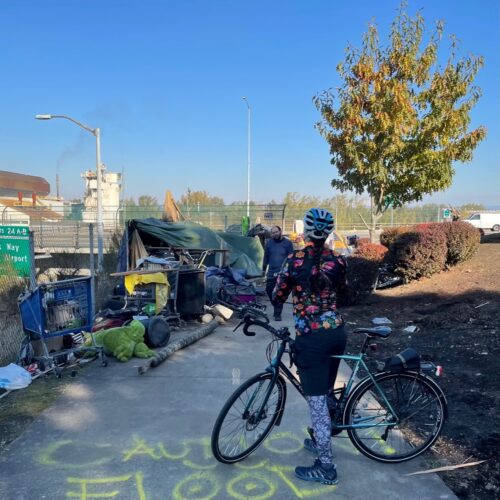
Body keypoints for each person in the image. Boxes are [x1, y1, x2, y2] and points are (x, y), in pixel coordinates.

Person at [273, 208, 348, 485]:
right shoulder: (339, 261)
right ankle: (321, 440)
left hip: (311, 337)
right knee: (326, 392)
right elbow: (345, 291)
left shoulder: (294, 260)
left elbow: (277, 294)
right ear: (328, 233)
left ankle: (326, 467)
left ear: (305, 231)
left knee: (316, 402)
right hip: (337, 332)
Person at [262, 225, 293, 321]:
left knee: (280, 293)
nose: (274, 234)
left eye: (276, 232)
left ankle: (277, 313)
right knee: (269, 290)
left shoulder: (287, 243)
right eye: (273, 232)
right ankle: (276, 305)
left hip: (283, 273)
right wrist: (263, 269)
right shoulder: (269, 243)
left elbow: (290, 258)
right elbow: (266, 256)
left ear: (280, 231)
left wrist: (290, 271)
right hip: (271, 272)